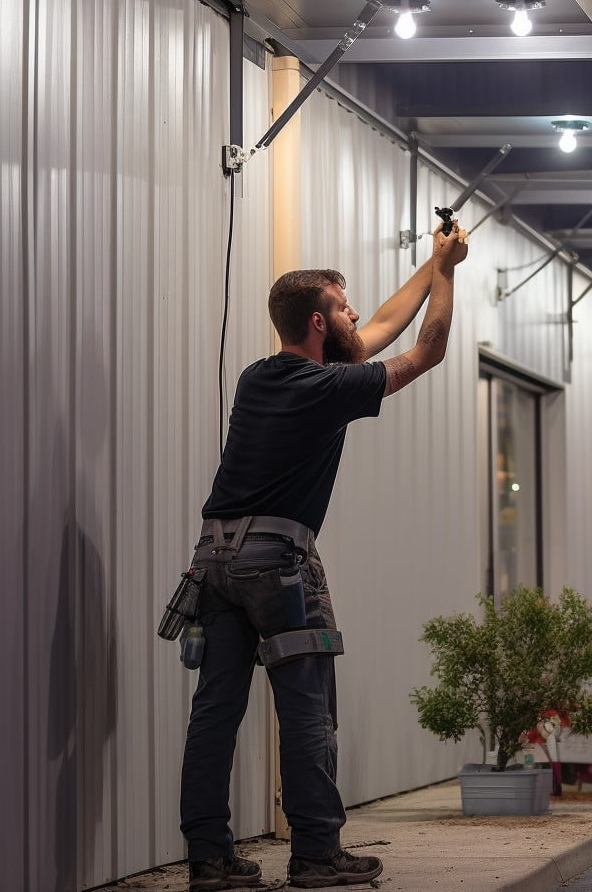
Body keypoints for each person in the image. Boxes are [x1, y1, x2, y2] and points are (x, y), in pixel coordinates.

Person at [179, 222, 469, 891]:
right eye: (343, 307)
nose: (357, 315)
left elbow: (385, 325)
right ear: (317, 321)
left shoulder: (261, 378)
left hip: (212, 562)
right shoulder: (327, 390)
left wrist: (433, 262)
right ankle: (315, 853)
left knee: (214, 712)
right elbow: (426, 348)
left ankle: (209, 859)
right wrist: (450, 275)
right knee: (307, 708)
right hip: (278, 564)